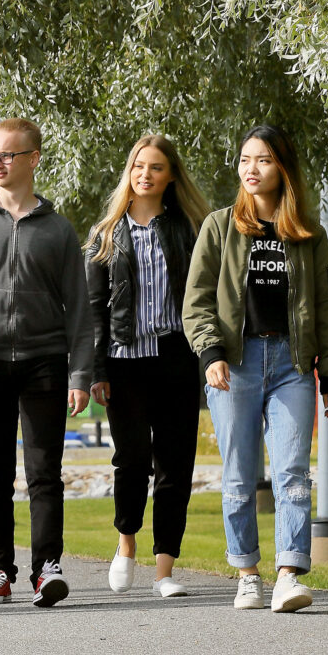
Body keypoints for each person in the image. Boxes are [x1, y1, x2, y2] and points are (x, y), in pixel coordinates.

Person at [183, 124, 328, 613]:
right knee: (238, 475)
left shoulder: (309, 235)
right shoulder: (218, 227)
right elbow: (196, 302)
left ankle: (288, 575)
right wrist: (210, 354)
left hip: (292, 366)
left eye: (263, 160)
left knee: (293, 472)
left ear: (283, 168)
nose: (251, 169)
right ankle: (247, 574)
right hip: (235, 365)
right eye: (245, 160)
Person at [0, 119, 94, 609]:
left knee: (44, 472)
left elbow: (79, 309)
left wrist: (80, 374)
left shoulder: (58, 230)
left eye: (8, 155)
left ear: (33, 158)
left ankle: (47, 569)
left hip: (44, 361)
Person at [85, 134, 209, 597]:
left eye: (156, 167)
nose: (145, 174)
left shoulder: (190, 230)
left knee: (175, 466)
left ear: (170, 176)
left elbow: (202, 298)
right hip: (124, 364)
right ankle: (125, 545)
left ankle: (164, 572)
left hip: (176, 359)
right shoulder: (106, 234)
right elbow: (94, 309)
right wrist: (96, 370)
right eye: (139, 165)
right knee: (132, 460)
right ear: (129, 171)